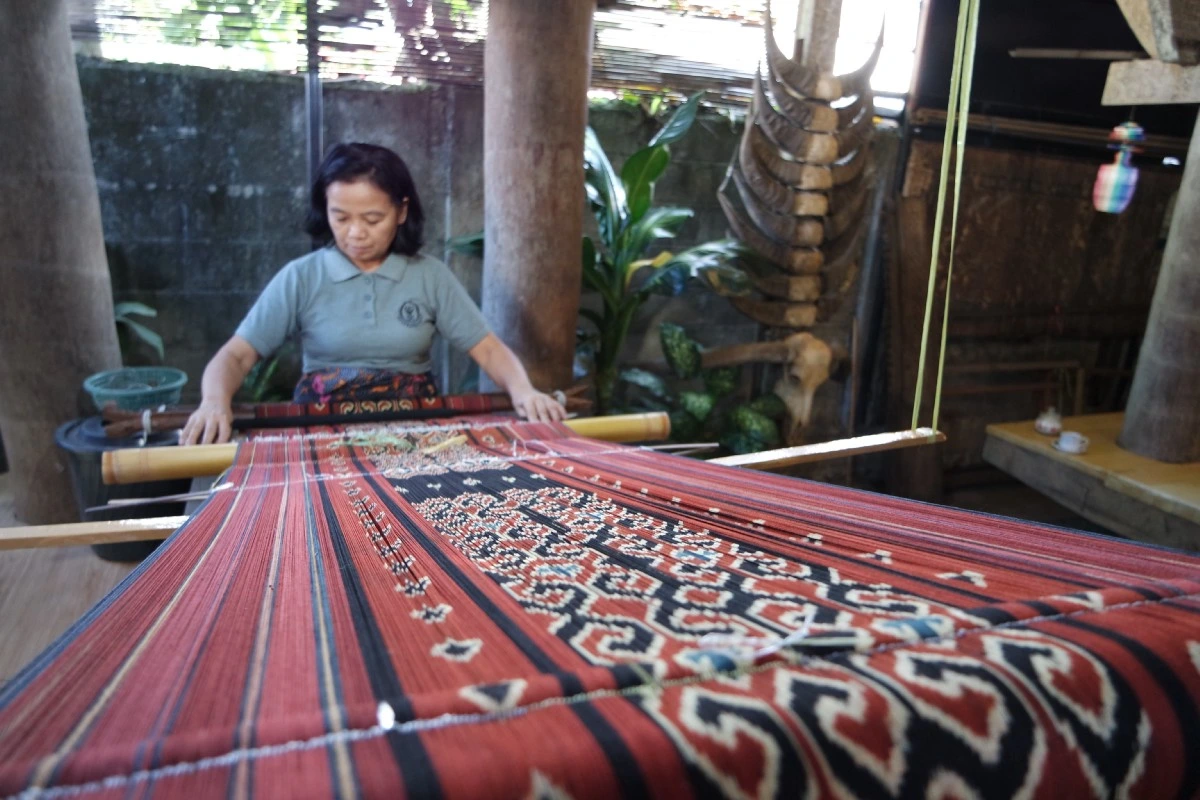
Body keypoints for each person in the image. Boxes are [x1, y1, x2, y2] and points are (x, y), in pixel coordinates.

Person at [181, 142, 566, 445]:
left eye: (372, 219)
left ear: (401, 212)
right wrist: (214, 402)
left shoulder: (429, 275)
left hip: (414, 433)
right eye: (340, 217)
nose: (355, 234)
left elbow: (488, 348)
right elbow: (236, 354)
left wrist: (524, 391)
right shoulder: (301, 277)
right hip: (322, 432)